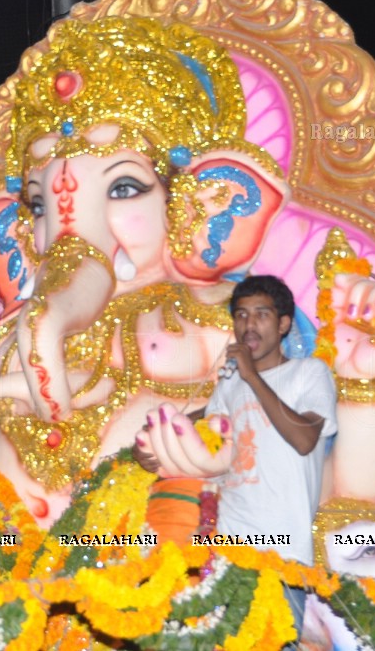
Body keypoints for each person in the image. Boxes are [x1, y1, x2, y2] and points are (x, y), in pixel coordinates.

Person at [136, 274, 337, 641]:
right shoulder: (230, 382)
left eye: (261, 314)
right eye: (241, 315)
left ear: (284, 324)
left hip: (284, 554)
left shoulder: (309, 373)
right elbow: (205, 424)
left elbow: (305, 438)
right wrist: (152, 440)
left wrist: (251, 377)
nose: (249, 324)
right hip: (225, 545)